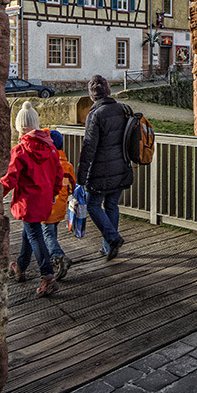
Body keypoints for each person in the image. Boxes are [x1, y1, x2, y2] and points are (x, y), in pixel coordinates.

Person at [1, 101, 63, 297]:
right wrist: (53, 194)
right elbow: (58, 175)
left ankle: (47, 276)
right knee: (29, 233)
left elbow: (10, 178)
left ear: (19, 127)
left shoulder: (20, 150)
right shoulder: (52, 148)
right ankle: (20, 267)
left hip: (27, 202)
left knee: (34, 235)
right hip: (44, 200)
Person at [77, 74, 133, 261]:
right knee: (111, 205)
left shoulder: (95, 115)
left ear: (92, 96)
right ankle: (108, 246)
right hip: (121, 167)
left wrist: (81, 177)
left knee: (93, 205)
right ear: (108, 91)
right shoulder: (121, 109)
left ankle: (112, 239)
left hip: (101, 171)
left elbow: (89, 148)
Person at [41, 129, 76, 279]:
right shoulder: (67, 165)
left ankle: (58, 256)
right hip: (61, 205)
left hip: (47, 205)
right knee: (52, 231)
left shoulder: (47, 164)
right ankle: (51, 255)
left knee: (47, 233)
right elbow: (72, 186)